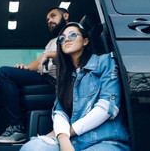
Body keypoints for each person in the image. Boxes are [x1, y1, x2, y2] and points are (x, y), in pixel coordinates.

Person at [20, 22, 131, 151]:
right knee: (31, 148)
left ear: (85, 41)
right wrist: (63, 138)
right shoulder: (65, 76)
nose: (66, 39)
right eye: (62, 38)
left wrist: (67, 132)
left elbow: (107, 108)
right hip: (73, 140)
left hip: (106, 140)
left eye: (72, 35)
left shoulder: (105, 62)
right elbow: (59, 112)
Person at [0, 7, 70, 144]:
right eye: (48, 19)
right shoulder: (53, 41)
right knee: (2, 82)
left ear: (66, 16)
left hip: (56, 81)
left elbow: (69, 54)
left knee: (3, 72)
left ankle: (17, 127)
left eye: (53, 16)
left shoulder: (72, 33)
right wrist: (26, 68)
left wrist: (48, 54)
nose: (50, 21)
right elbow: (39, 61)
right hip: (45, 77)